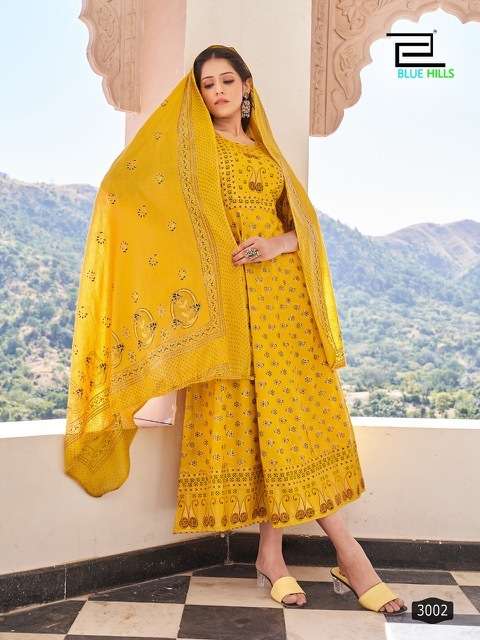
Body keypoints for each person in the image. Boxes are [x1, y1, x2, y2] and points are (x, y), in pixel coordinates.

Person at [64, 43, 406, 615]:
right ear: (198, 94)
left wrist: (275, 243)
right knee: (260, 422)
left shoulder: (267, 149)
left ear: (247, 85)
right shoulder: (191, 151)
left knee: (293, 421)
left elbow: (303, 230)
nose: (218, 91)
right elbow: (130, 193)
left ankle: (274, 555)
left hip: (285, 305)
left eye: (227, 80)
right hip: (230, 310)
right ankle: (349, 558)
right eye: (208, 83)